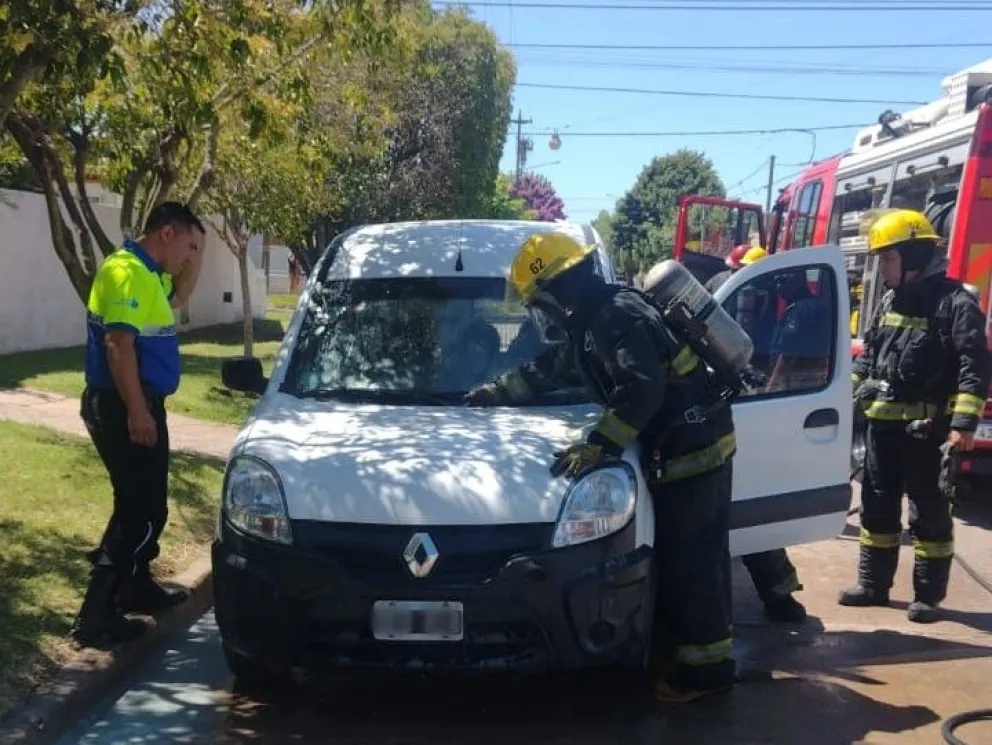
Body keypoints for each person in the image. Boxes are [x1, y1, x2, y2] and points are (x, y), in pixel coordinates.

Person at [464, 232, 737, 702]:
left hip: (694, 452)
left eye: (539, 300)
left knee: (693, 564)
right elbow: (554, 366)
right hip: (683, 447)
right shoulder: (595, 318)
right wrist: (499, 391)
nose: (541, 311)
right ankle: (686, 655)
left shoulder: (615, 316)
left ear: (556, 289)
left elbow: (642, 389)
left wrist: (598, 445)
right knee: (683, 560)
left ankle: (707, 674)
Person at [843, 209, 991, 623]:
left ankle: (927, 597)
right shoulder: (890, 301)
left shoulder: (955, 303)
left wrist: (963, 425)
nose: (882, 269)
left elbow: (973, 366)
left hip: (927, 434)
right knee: (876, 509)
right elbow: (870, 356)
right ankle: (873, 586)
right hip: (881, 430)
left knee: (927, 514)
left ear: (912, 257)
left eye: (887, 259)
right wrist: (846, 400)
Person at [73, 202, 207, 647]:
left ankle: (135, 586)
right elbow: (118, 346)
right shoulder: (127, 272)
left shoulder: (150, 273)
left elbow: (180, 297)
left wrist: (199, 249)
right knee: (137, 509)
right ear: (166, 233)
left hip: (137, 402)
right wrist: (137, 411)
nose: (189, 259)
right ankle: (96, 615)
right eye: (188, 247)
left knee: (148, 505)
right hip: (121, 405)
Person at [704, 247, 808, 624]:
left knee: (746, 507)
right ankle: (778, 597)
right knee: (746, 510)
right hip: (737, 404)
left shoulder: (742, 298)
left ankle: (779, 595)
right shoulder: (731, 296)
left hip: (747, 405)